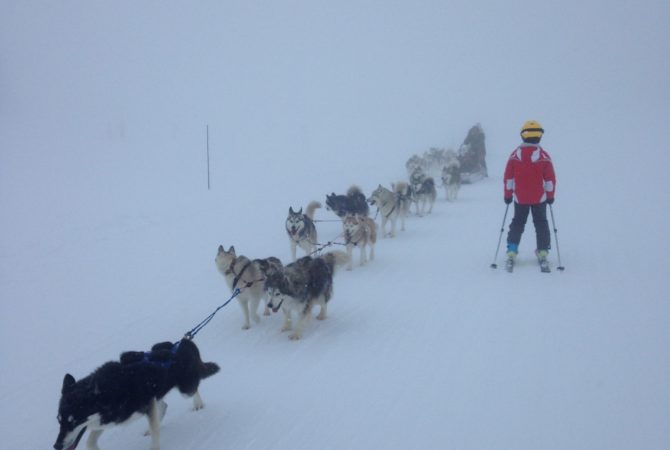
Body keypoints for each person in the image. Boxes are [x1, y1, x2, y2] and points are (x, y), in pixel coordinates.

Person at [503, 120, 556, 268]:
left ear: (523, 136)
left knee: (518, 223)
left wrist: (508, 195)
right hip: (539, 198)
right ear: (539, 137)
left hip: (520, 198)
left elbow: (509, 178)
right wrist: (550, 196)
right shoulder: (544, 156)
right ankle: (543, 251)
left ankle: (512, 250)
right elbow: (550, 180)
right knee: (541, 223)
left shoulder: (515, 156)